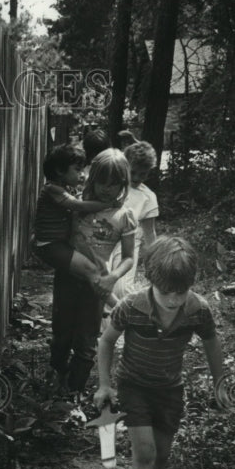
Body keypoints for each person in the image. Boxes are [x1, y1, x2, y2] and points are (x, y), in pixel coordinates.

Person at [93, 236, 226, 469]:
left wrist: (221, 383)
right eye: (166, 291)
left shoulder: (197, 310)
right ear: (151, 280)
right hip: (134, 385)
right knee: (145, 451)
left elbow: (212, 343)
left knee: (163, 454)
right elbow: (106, 342)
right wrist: (105, 384)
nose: (173, 299)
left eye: (180, 292)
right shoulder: (132, 306)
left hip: (170, 389)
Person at [32, 143, 119, 395]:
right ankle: (119, 306)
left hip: (57, 245)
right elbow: (78, 207)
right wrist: (106, 204)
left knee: (89, 273)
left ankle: (64, 376)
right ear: (60, 171)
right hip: (50, 245)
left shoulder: (63, 187)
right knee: (93, 271)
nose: (82, 175)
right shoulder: (52, 189)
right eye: (77, 169)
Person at [70, 148, 137, 310]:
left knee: (88, 331)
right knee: (62, 328)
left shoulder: (124, 216)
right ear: (92, 180)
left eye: (113, 184)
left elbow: (128, 258)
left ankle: (121, 314)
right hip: (68, 278)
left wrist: (113, 277)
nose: (106, 189)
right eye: (101, 182)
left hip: (99, 283)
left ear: (123, 183)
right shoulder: (78, 204)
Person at [110, 140, 160, 301]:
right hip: (104, 235)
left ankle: (129, 320)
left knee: (121, 288)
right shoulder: (111, 185)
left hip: (129, 242)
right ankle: (101, 325)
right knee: (99, 283)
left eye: (143, 174)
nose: (137, 177)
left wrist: (154, 260)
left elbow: (149, 233)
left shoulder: (148, 197)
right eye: (134, 172)